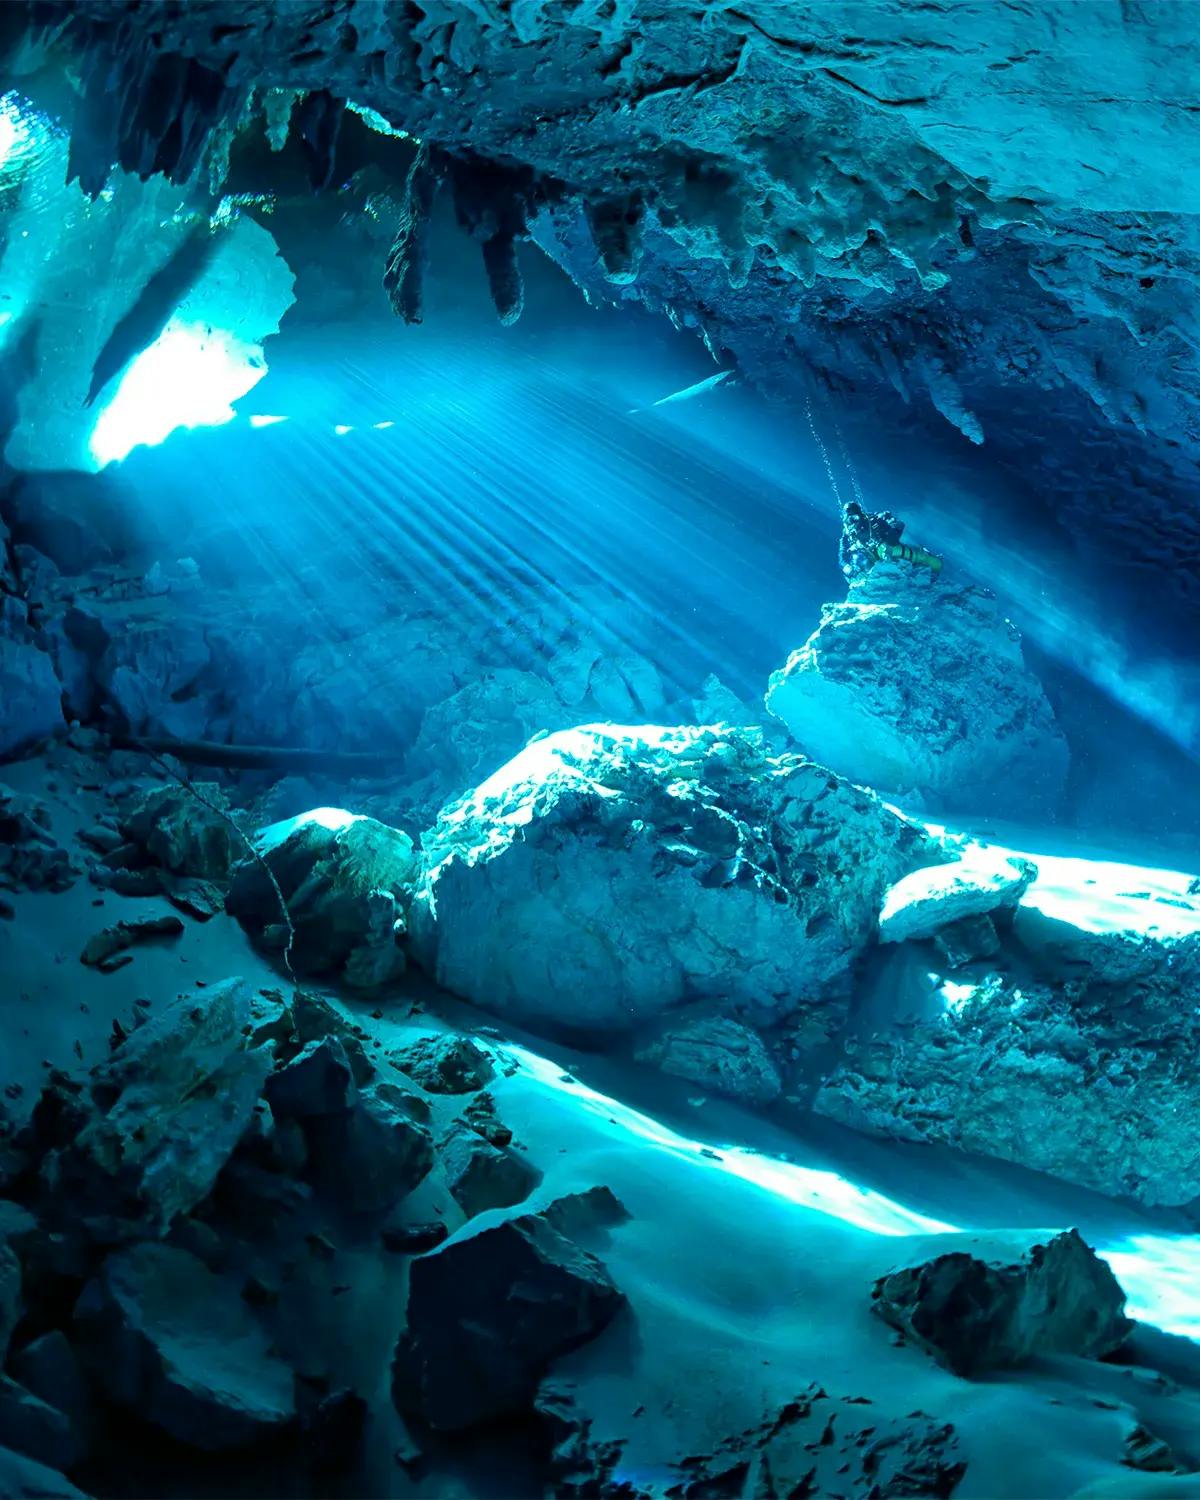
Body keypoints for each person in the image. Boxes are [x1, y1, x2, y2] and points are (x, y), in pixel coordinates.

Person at [839, 500, 942, 580]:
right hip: (870, 557)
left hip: (887, 548)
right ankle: (867, 581)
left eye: (855, 517)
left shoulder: (873, 519)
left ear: (861, 515)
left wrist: (891, 537)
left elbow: (897, 524)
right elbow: (842, 554)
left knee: (886, 550)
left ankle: (926, 563)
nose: (853, 522)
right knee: (857, 559)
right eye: (850, 519)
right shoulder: (847, 533)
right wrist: (846, 567)